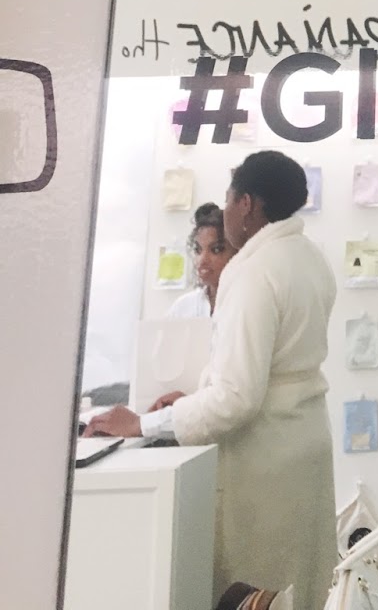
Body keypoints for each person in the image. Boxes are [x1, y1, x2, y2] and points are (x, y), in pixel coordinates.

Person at [86, 151, 338, 610]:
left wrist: (140, 424)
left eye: (227, 198)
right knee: (299, 588)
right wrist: (195, 399)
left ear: (245, 203)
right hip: (303, 444)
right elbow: (265, 371)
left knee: (255, 593)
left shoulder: (256, 271)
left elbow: (237, 398)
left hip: (264, 460)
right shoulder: (308, 257)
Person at [167, 201, 235, 318]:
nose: (202, 260)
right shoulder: (182, 307)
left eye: (216, 250)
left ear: (237, 253)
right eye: (198, 250)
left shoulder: (247, 303)